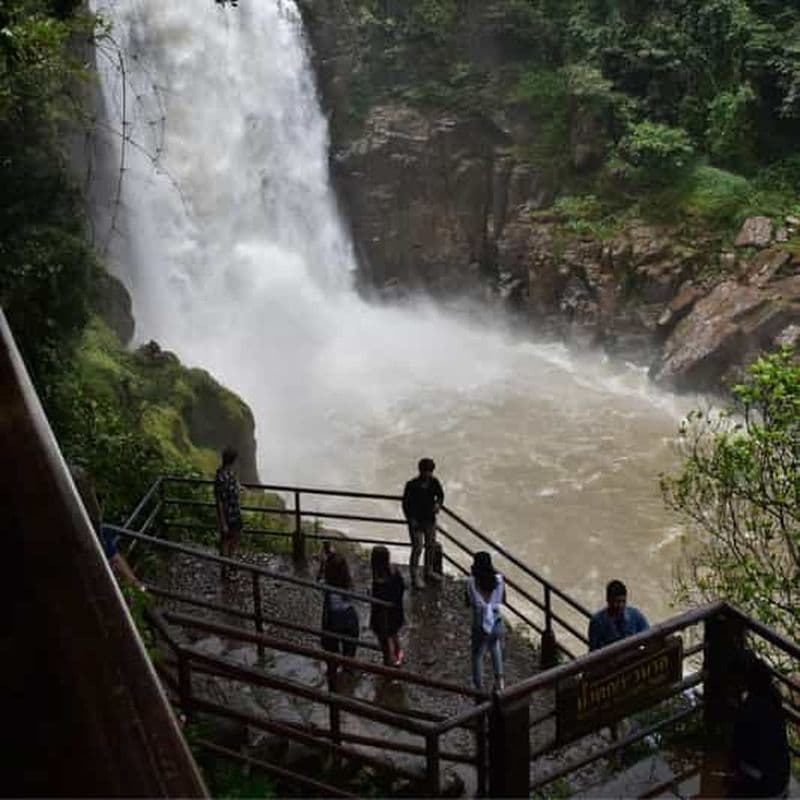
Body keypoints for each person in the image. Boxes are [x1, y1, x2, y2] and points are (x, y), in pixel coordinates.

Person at [69, 464, 143, 590]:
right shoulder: (91, 530)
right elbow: (114, 558)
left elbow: (114, 557)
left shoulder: (93, 530)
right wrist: (139, 588)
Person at [729, 652, 790, 798]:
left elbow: (738, 751)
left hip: (766, 786)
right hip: (781, 777)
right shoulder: (772, 695)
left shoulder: (750, 710)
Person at [402, 457, 444, 588]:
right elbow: (405, 505)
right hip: (416, 521)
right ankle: (414, 576)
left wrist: (438, 504)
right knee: (418, 548)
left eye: (430, 471)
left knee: (430, 546)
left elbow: (441, 495)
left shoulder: (434, 482)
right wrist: (411, 520)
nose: (428, 474)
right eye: (426, 471)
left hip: (430, 520)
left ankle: (428, 570)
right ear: (420, 471)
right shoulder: (411, 485)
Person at [465, 552, 505, 692]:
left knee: (477, 654)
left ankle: (479, 687)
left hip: (480, 619)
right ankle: (499, 681)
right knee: (495, 646)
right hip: (497, 618)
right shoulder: (499, 579)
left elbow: (469, 601)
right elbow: (502, 599)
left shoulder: (471, 581)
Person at [369, 545, 406, 667]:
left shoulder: (379, 581)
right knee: (394, 633)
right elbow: (401, 588)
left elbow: (377, 600)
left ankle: (389, 661)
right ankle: (397, 654)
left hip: (382, 616)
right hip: (396, 611)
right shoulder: (395, 573)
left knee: (384, 639)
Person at [588, 579, 649, 651]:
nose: (620, 605)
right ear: (608, 600)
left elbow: (648, 637)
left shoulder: (636, 616)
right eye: (616, 602)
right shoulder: (597, 622)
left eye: (623, 601)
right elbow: (594, 650)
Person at [320, 552, 360, 660]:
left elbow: (318, 580)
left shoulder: (326, 585)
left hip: (332, 619)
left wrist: (322, 565)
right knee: (349, 650)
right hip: (350, 617)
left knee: (331, 650)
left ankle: (332, 671)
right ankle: (348, 668)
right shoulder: (349, 583)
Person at [214, 446, 243, 578]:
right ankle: (227, 569)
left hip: (233, 512)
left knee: (232, 540)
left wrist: (238, 487)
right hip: (228, 514)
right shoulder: (222, 477)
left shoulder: (227, 474)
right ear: (233, 461)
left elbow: (234, 488)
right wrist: (223, 522)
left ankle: (228, 566)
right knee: (228, 541)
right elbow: (219, 500)